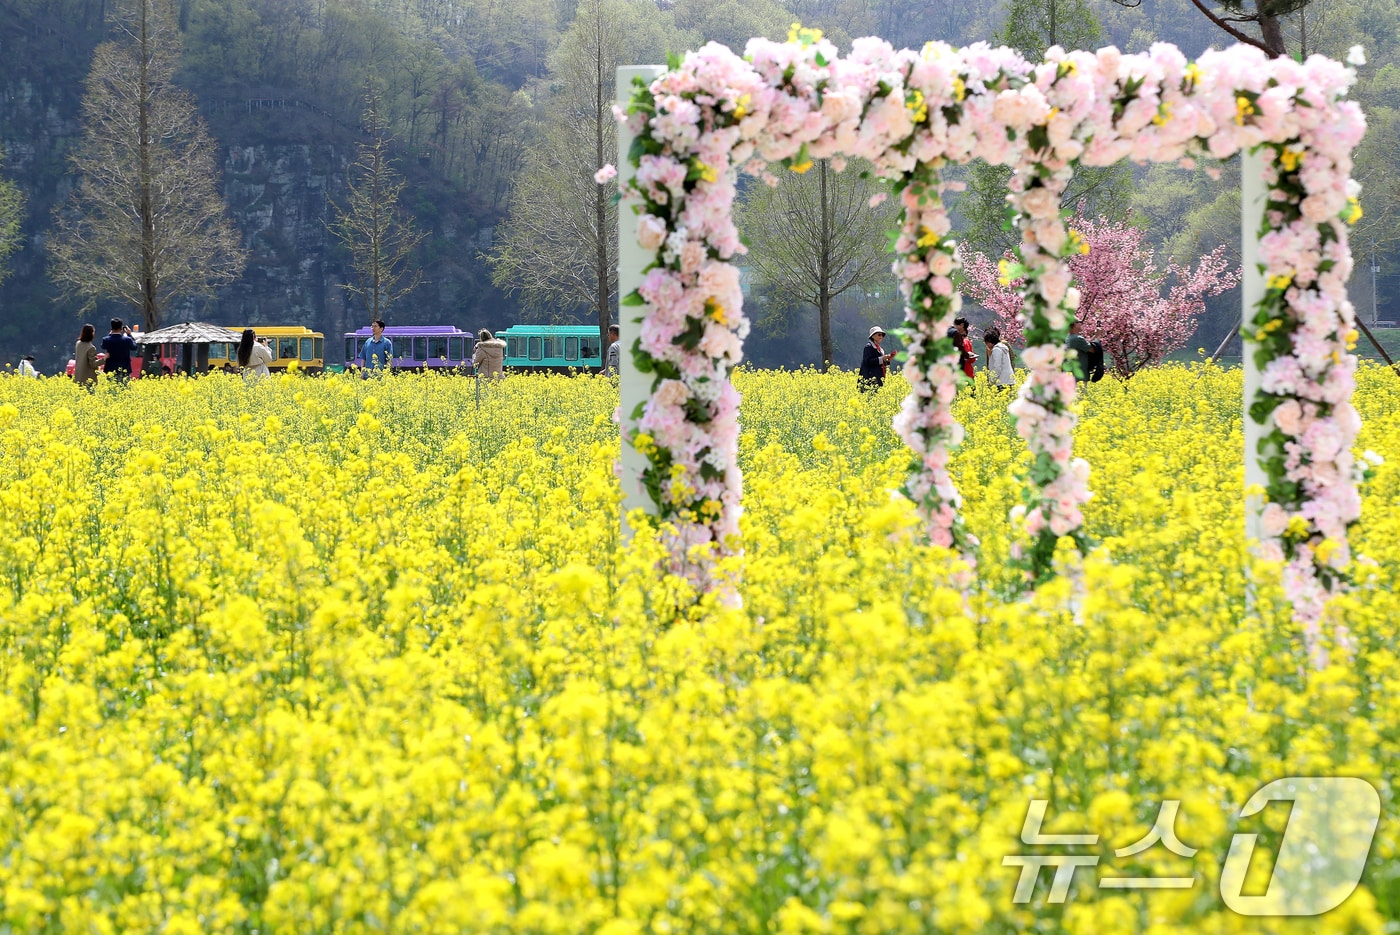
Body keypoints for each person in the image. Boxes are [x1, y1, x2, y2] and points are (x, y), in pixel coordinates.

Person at [859, 326, 894, 391]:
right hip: (869, 380)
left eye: (882, 335)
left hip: (878, 380)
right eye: (879, 334)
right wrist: (882, 358)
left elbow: (879, 363)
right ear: (873, 336)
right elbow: (867, 361)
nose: (881, 337)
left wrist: (887, 360)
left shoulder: (880, 349)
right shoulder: (868, 347)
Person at [1066, 319, 1094, 383]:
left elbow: (1085, 345)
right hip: (1081, 374)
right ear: (1075, 324)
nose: (1081, 324)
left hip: (1075, 372)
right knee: (1083, 392)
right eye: (1079, 322)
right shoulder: (1078, 339)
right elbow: (1093, 350)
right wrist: (1098, 337)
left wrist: (1095, 336)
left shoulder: (1069, 338)